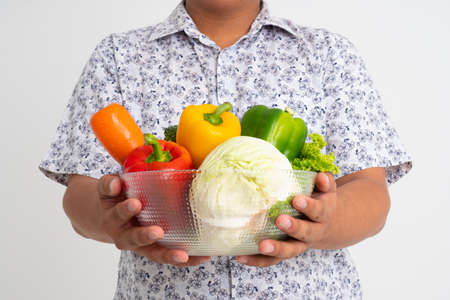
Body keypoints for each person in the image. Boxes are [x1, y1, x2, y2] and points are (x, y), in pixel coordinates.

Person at [39, 0, 412, 298]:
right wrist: (108, 220)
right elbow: (81, 193)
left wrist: (328, 220)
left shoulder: (329, 55)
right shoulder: (118, 56)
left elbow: (370, 192)